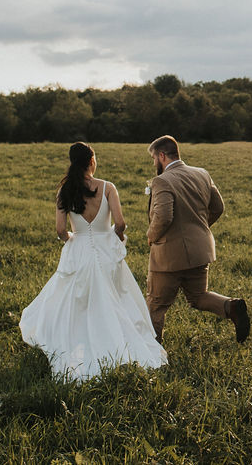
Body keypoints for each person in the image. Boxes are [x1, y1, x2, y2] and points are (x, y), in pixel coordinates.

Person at [19, 142, 167, 380]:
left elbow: (59, 230)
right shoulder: (108, 187)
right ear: (91, 161)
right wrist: (115, 237)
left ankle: (77, 339)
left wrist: (71, 237)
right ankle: (114, 338)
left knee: (76, 298)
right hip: (104, 247)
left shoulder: (64, 191)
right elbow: (120, 223)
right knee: (115, 296)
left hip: (78, 248)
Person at [145, 135, 249, 344]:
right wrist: (199, 230)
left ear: (162, 156)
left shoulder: (162, 180)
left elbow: (164, 217)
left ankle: (152, 353)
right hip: (201, 250)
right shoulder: (202, 174)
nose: (154, 163)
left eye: (154, 158)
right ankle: (231, 306)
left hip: (169, 255)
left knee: (156, 305)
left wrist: (151, 237)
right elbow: (218, 208)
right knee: (198, 296)